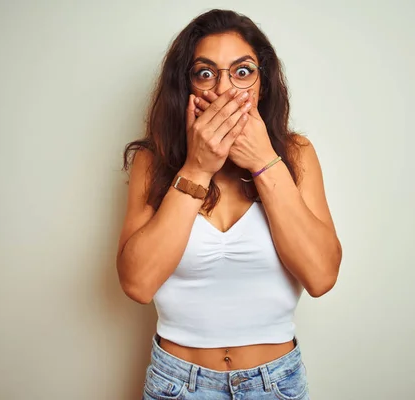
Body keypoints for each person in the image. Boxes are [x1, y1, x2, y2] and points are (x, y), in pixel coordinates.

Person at [117, 9, 342, 400]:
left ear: (263, 83)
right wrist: (198, 168)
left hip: (276, 384)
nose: (223, 90)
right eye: (205, 73)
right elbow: (137, 283)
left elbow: (321, 276)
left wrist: (262, 161)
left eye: (241, 72)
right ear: (185, 86)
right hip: (178, 384)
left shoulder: (295, 155)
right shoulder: (152, 162)